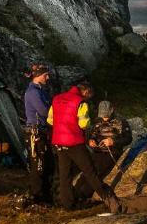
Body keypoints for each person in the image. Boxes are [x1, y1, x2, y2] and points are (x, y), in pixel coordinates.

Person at [47, 81, 118, 210]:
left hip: (59, 142)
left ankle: (68, 204)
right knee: (90, 171)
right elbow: (83, 124)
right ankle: (107, 198)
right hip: (74, 142)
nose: (87, 98)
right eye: (89, 95)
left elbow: (50, 120)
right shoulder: (80, 102)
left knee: (65, 175)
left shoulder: (56, 99)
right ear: (86, 91)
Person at [74, 100, 133, 199]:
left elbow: (128, 138)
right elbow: (89, 135)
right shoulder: (97, 122)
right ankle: (74, 192)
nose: (104, 118)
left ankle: (83, 195)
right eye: (103, 116)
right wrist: (90, 141)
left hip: (112, 152)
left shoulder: (121, 122)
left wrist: (113, 142)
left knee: (97, 173)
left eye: (106, 115)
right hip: (97, 152)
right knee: (87, 170)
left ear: (112, 111)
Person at [23, 63, 54, 205]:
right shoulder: (33, 92)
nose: (47, 77)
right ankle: (37, 197)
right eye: (45, 75)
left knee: (46, 164)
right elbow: (44, 111)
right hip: (35, 132)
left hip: (42, 131)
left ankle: (45, 195)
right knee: (38, 164)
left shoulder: (41, 90)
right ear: (38, 76)